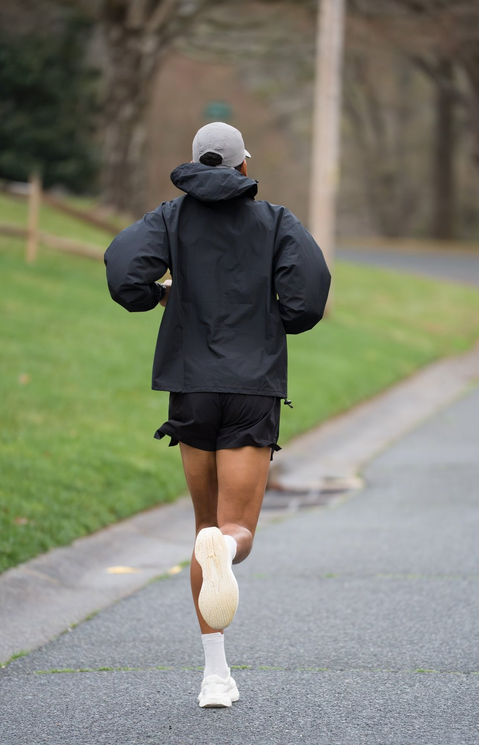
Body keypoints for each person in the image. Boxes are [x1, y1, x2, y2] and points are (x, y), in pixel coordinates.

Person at [105, 121, 330, 708]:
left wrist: (159, 294)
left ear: (197, 163)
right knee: (236, 533)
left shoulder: (170, 218)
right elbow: (308, 297)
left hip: (191, 389)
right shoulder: (276, 221)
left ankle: (214, 676)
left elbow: (125, 272)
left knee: (204, 525)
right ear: (243, 166)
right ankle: (225, 553)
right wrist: (275, 318)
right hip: (251, 389)